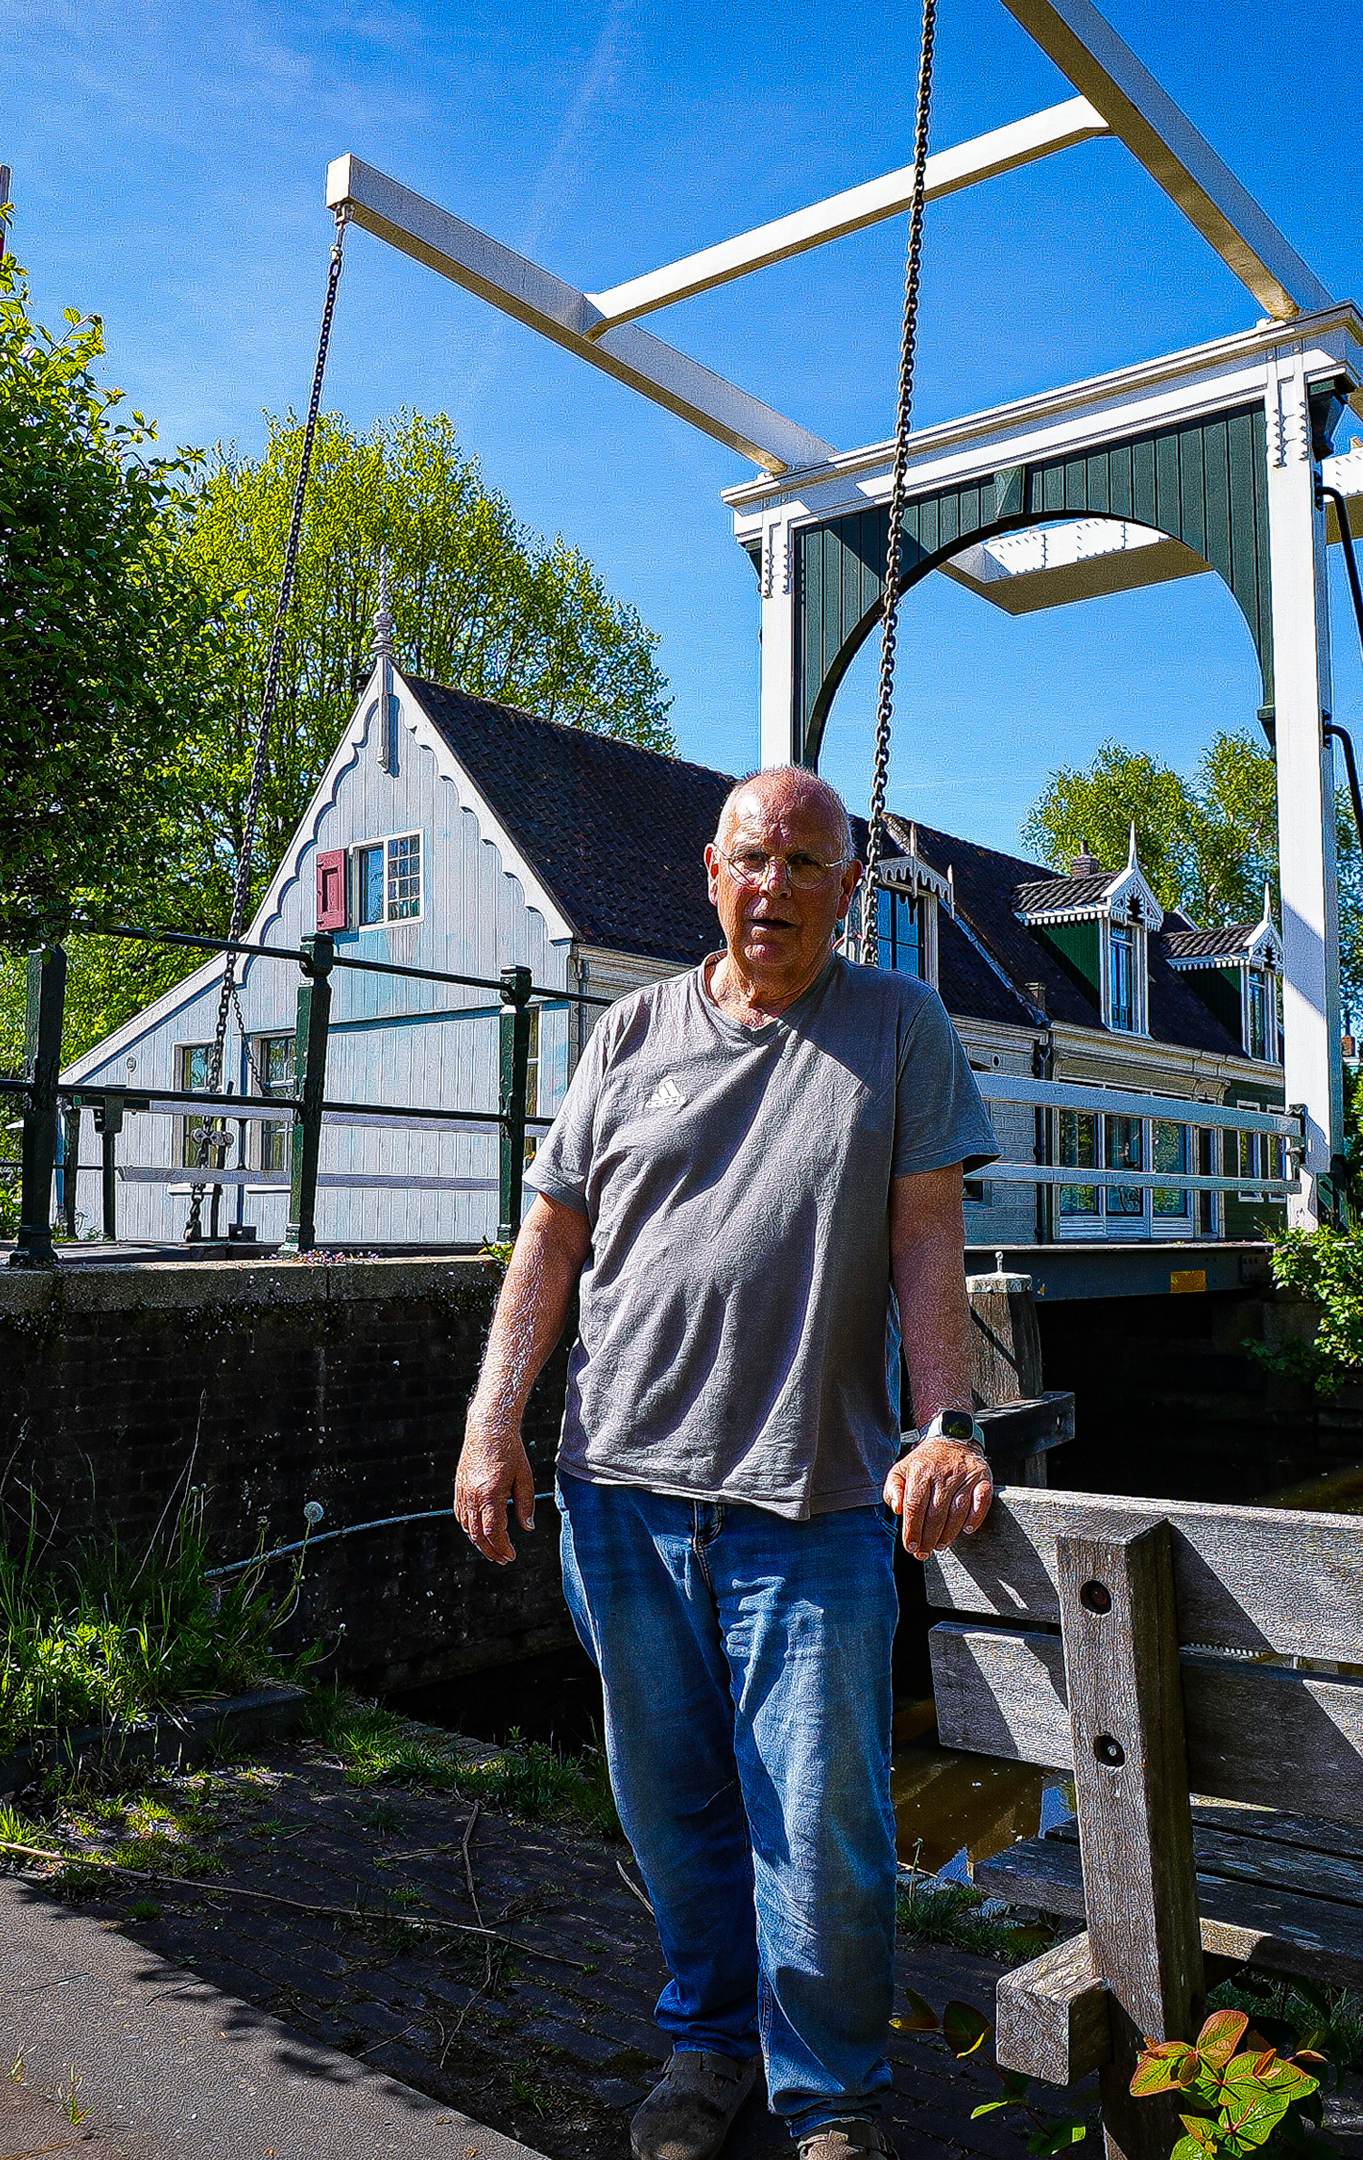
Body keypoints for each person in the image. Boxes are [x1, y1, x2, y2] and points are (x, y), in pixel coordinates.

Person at [454, 766, 1002, 2160]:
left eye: (810, 866)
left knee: (819, 1822)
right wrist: (491, 1417)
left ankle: (830, 2093)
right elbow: (553, 1242)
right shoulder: (629, 1035)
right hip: (619, 1489)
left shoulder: (901, 1029)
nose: (778, 890)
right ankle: (709, 2047)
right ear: (711, 873)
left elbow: (930, 1241)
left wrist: (947, 1422)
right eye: (757, 860)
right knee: (670, 1800)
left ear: (848, 892)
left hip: (807, 1502)